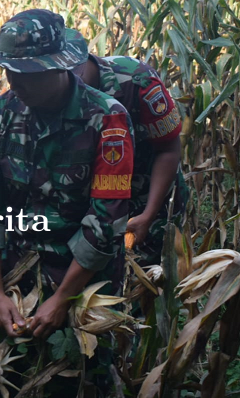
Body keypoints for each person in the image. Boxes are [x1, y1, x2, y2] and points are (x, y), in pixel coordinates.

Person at [0, 10, 134, 398]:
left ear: (59, 66)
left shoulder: (106, 119)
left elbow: (105, 222)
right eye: (9, 72)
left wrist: (62, 300)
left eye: (27, 74)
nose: (15, 83)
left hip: (82, 282)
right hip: (15, 274)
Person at [71, 36, 187, 267]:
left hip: (145, 195)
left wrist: (149, 214)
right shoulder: (49, 93)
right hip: (93, 197)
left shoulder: (137, 80)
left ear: (79, 66)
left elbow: (169, 149)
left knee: (145, 277)